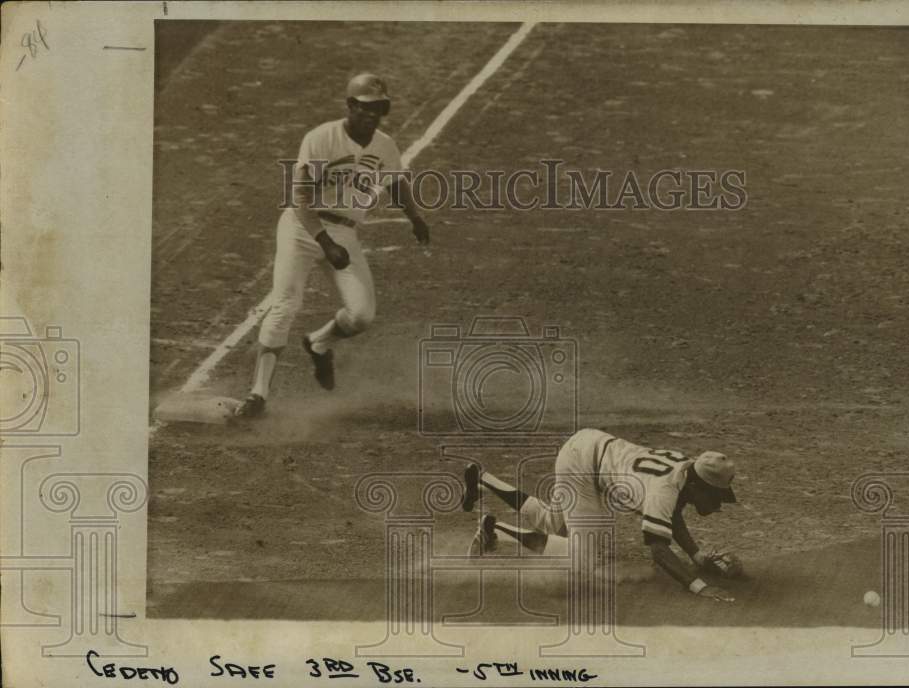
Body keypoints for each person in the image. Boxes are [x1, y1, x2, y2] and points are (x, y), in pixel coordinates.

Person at [236, 73, 430, 418]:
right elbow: (300, 197)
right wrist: (324, 241)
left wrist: (415, 219)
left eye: (379, 108)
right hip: (302, 228)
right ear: (351, 106)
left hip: (345, 231)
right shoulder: (321, 139)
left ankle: (318, 343)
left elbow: (396, 182)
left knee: (361, 315)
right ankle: (258, 395)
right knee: (285, 304)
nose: (372, 115)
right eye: (366, 107)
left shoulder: (384, 145)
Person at [462, 428, 742, 602]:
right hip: (583, 466)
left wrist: (697, 557)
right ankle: (495, 531)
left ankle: (482, 478)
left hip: (588, 446)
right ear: (696, 484)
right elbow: (658, 548)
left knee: (552, 523)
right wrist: (698, 586)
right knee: (582, 558)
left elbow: (673, 518)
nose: (717, 504)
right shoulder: (664, 490)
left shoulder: (684, 469)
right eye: (715, 495)